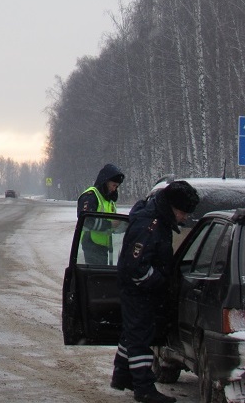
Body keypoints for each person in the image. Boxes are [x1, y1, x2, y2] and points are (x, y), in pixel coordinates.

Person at [111, 180, 199, 403]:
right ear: (173, 207)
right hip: (138, 289)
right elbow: (136, 267)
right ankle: (144, 389)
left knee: (133, 332)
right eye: (183, 212)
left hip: (139, 289)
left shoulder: (157, 219)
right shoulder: (150, 225)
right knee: (140, 336)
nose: (185, 218)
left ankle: (123, 375)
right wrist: (160, 281)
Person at [77, 164, 125, 264]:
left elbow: (110, 222)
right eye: (114, 185)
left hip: (103, 246)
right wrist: (110, 224)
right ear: (106, 181)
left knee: (103, 277)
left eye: (117, 187)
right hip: (91, 244)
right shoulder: (91, 196)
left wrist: (121, 226)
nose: (114, 189)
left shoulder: (108, 200)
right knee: (96, 278)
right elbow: (87, 221)